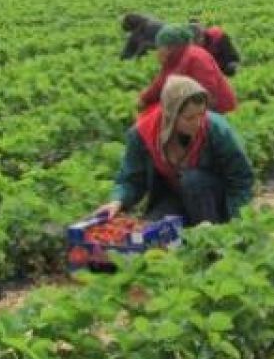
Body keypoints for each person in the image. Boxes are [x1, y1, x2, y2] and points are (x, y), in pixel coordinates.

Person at [96, 75, 254, 226]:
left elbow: (241, 179)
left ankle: (209, 235)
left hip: (212, 199)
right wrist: (117, 200)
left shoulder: (216, 129)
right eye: (189, 118)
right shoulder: (143, 134)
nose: (198, 123)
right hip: (174, 196)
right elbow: (131, 179)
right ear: (171, 115)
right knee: (151, 229)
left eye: (201, 114)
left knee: (192, 180)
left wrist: (236, 221)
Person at [138, 24, 237, 114]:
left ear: (170, 47)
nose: (157, 52)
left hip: (218, 111)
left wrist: (179, 109)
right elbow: (159, 84)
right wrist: (144, 99)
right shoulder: (172, 60)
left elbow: (207, 94)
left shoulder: (196, 57)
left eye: (159, 47)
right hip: (193, 108)